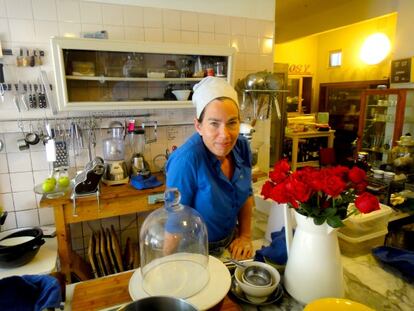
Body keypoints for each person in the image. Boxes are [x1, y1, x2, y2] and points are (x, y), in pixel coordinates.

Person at [165, 76, 254, 260]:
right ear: (199, 126)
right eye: (214, 123)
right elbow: (173, 225)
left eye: (232, 123)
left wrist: (245, 236)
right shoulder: (186, 161)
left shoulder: (242, 146)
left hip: (230, 244)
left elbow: (247, 195)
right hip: (194, 250)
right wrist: (167, 266)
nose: (225, 135)